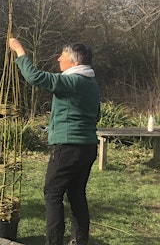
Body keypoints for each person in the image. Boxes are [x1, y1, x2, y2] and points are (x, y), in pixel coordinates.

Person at [8, 38, 100, 245]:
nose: (58, 59)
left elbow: (34, 77)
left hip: (68, 148)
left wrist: (19, 51)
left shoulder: (71, 81)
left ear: (74, 62)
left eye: (62, 56)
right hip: (88, 148)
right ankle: (80, 240)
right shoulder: (92, 84)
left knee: (52, 194)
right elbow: (97, 115)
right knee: (76, 194)